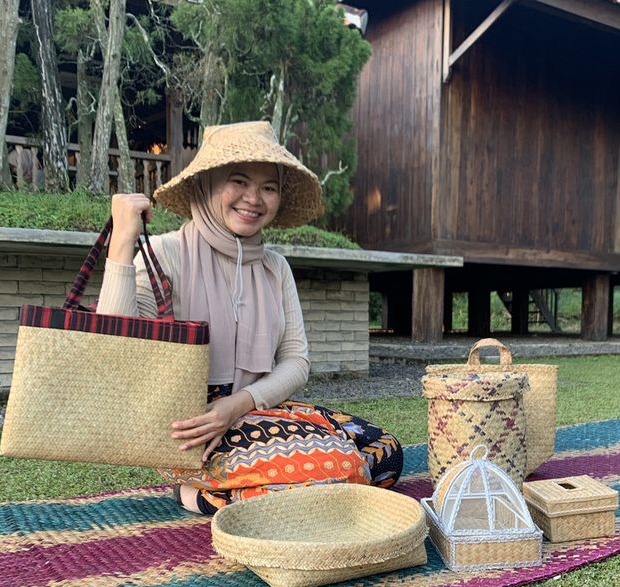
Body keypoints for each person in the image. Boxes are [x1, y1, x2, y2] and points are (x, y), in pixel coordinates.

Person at [96, 121, 403, 513]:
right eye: (238, 181)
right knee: (342, 470)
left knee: (387, 453)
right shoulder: (166, 253)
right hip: (193, 428)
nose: (253, 199)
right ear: (207, 184)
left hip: (254, 411)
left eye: (268, 187)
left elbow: (296, 360)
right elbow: (115, 346)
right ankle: (196, 493)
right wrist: (122, 241)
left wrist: (239, 404)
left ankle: (229, 498)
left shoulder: (275, 268)